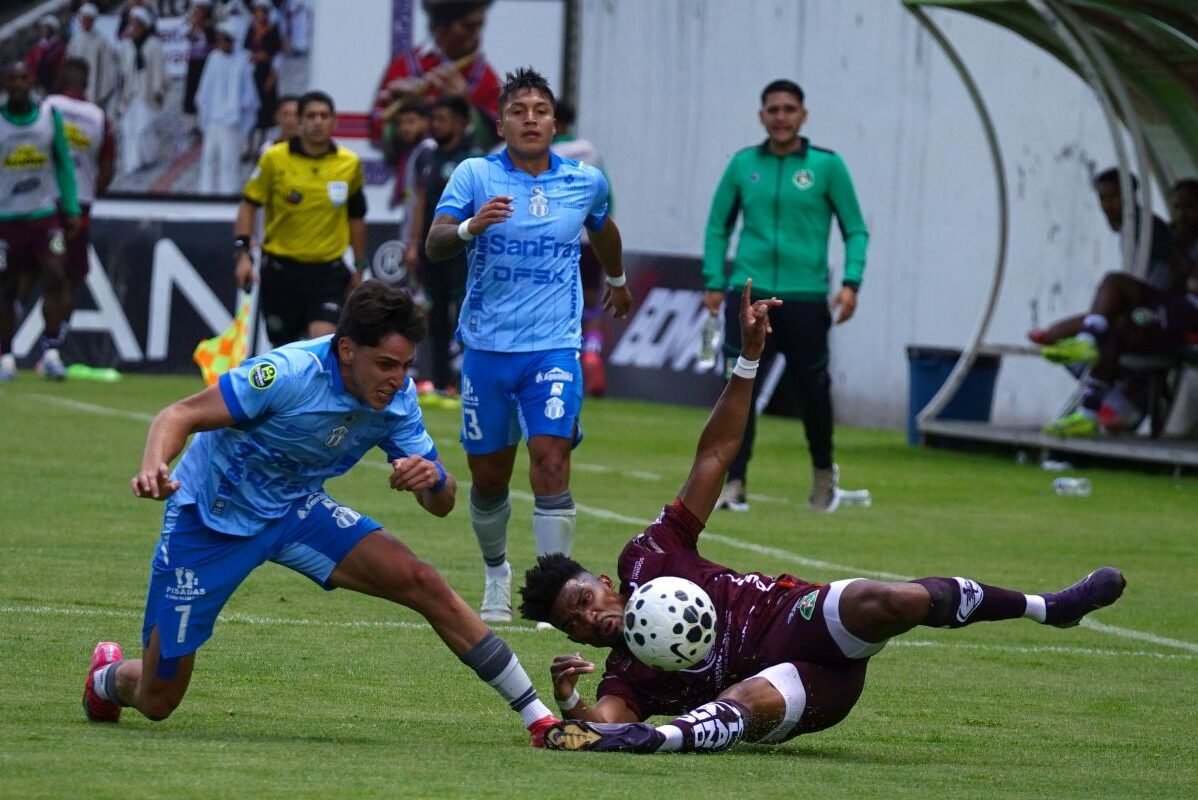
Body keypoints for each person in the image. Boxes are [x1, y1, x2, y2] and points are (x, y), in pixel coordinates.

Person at [517, 281, 1127, 754]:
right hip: (800, 694)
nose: (591, 620)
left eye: (583, 600)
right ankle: (665, 739)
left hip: (795, 617)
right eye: (576, 626)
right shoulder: (628, 674)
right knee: (743, 697)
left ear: (602, 580)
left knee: (889, 601)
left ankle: (1051, 607)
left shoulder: (650, 555)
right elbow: (601, 724)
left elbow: (715, 456)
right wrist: (571, 705)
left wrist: (748, 359)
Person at [79, 281, 559, 745]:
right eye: (386, 364)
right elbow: (178, 415)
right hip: (209, 522)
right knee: (159, 699)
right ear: (346, 350)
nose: (397, 380)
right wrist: (154, 466)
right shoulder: (286, 374)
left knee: (422, 581)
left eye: (407, 366)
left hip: (295, 511)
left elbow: (442, 504)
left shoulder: (397, 401)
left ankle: (537, 718)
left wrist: (432, 480)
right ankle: (107, 678)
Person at [424, 67, 631, 624]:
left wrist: (615, 279)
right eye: (519, 110)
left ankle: (554, 592)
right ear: (502, 122)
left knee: (551, 459)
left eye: (541, 110)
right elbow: (435, 242)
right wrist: (471, 226)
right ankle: (496, 575)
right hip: (488, 351)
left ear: (555, 123)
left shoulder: (584, 180)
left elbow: (603, 227)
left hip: (553, 348)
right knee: (490, 477)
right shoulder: (474, 175)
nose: (531, 119)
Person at [702, 79, 869, 514]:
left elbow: (855, 228)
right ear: (762, 116)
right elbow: (718, 226)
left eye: (789, 109)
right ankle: (734, 484)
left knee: (813, 392)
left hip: (807, 298)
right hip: (750, 296)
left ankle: (822, 481)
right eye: (773, 109)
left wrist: (851, 282)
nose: (781, 117)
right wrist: (714, 281)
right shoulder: (742, 165)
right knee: (738, 392)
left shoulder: (827, 166)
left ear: (803, 115)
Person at [1037, 178, 1198, 437]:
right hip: (1156, 314)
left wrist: (1177, 255)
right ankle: (1093, 409)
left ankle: (1124, 396)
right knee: (1096, 326)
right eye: (1177, 207)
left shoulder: (1169, 241)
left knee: (1115, 285)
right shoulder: (1161, 235)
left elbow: (1190, 281)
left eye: (1189, 207)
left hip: (1185, 318)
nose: (1181, 215)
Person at [234, 90, 366, 347]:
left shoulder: (349, 163)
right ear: (300, 121)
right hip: (281, 270)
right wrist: (242, 254)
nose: (318, 121)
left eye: (324, 116)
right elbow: (249, 205)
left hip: (328, 272)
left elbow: (356, 217)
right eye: (311, 116)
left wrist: (360, 266)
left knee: (323, 343)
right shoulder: (274, 158)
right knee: (284, 352)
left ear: (334, 122)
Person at [0, 61, 81, 382]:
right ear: (5, 84)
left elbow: (63, 163)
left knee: (57, 274)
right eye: (12, 79)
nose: (19, 84)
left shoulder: (49, 117)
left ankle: (50, 351)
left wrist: (71, 208)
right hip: (6, 217)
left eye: (24, 78)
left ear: (32, 81)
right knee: (5, 288)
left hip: (44, 214)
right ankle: (6, 355)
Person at [41, 57, 115, 371]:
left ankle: (9, 351)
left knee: (22, 276)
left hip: (41, 203)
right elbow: (108, 164)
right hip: (78, 206)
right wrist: (88, 192)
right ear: (87, 82)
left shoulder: (45, 108)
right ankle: (53, 349)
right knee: (68, 278)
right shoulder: (99, 118)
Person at [407, 95, 482, 398]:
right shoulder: (427, 156)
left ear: (462, 123)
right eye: (433, 119)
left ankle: (465, 382)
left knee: (464, 314)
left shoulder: (474, 160)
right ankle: (439, 383)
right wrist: (413, 244)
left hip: (463, 249)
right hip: (432, 248)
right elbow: (419, 202)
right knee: (434, 315)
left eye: (443, 119)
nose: (435, 125)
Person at [370, 0, 500, 151]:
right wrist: (406, 110)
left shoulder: (486, 77)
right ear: (442, 29)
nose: (477, 36)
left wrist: (464, 105)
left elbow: (496, 140)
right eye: (468, 28)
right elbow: (378, 130)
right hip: (414, 171)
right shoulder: (404, 67)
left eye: (480, 26)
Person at [551, 100, 611, 397]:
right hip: (590, 239)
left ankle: (565, 364)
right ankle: (592, 353)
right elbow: (606, 195)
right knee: (590, 301)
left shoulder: (539, 153)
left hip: (555, 242)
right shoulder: (589, 151)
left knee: (557, 303)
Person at [195, 22, 259, 195]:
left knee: (228, 161)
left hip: (231, 120)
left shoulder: (243, 60)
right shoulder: (213, 58)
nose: (222, 44)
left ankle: (227, 193)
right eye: (220, 40)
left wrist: (241, 107)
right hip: (213, 118)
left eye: (226, 41)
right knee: (209, 158)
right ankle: (206, 192)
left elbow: (249, 92)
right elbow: (205, 86)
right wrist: (203, 107)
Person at [115, 6, 168, 174]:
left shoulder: (154, 45)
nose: (134, 28)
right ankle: (133, 161)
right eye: (132, 25)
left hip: (147, 93)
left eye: (138, 25)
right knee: (129, 127)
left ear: (145, 26)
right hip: (131, 93)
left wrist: (158, 90)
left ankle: (148, 156)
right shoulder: (127, 46)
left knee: (144, 128)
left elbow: (160, 70)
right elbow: (122, 69)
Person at [243, 0, 282, 157]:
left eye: (263, 11)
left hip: (266, 73)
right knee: (250, 109)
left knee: (265, 111)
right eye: (258, 11)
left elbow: (277, 55)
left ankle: (261, 145)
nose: (261, 14)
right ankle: (249, 146)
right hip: (253, 73)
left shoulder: (272, 30)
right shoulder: (252, 29)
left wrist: (273, 75)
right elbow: (245, 49)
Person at [65, 4, 118, 110]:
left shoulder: (101, 42)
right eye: (83, 19)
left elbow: (108, 68)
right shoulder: (75, 40)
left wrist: (103, 92)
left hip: (95, 91)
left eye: (89, 19)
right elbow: (69, 62)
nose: (85, 22)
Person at [181, 0, 216, 123]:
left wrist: (202, 26)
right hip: (194, 62)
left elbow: (212, 43)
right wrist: (195, 25)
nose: (197, 13)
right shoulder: (193, 26)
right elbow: (189, 37)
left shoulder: (210, 26)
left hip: (205, 63)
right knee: (192, 90)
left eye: (200, 10)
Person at [25, 15, 67, 94]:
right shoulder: (39, 46)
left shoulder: (59, 47)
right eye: (43, 28)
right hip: (40, 84)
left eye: (47, 28)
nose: (44, 31)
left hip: (54, 83)